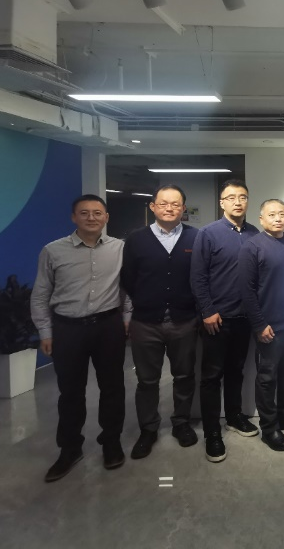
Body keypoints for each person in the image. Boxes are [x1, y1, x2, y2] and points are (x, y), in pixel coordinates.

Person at [31, 194, 130, 482]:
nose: (91, 218)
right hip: (68, 328)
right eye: (84, 213)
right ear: (73, 217)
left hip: (108, 325)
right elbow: (40, 294)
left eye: (97, 213)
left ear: (106, 217)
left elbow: (127, 287)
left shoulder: (120, 248)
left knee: (113, 388)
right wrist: (45, 331)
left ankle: (111, 442)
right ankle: (70, 448)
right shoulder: (53, 251)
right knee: (71, 392)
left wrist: (126, 317)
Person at [121, 184, 199, 460]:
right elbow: (128, 278)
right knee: (147, 380)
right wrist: (144, 302)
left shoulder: (195, 237)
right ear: (152, 206)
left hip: (184, 320)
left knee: (184, 376)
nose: (169, 208)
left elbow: (201, 277)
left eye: (175, 204)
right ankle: (148, 429)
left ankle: (181, 423)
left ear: (183, 209)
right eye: (163, 203)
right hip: (146, 322)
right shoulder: (136, 239)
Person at [190, 179, 260, 462]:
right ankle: (212, 433)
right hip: (217, 319)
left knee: (236, 371)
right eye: (231, 197)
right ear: (222, 203)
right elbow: (198, 276)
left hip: (245, 318)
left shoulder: (254, 233)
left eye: (242, 197)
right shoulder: (208, 234)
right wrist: (207, 311)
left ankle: (234, 416)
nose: (237, 202)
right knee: (211, 377)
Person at [239, 199, 284, 452]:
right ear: (261, 219)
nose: (277, 218)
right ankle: (269, 428)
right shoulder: (252, 246)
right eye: (272, 214)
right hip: (269, 326)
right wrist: (259, 324)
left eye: (282, 214)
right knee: (267, 378)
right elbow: (246, 290)